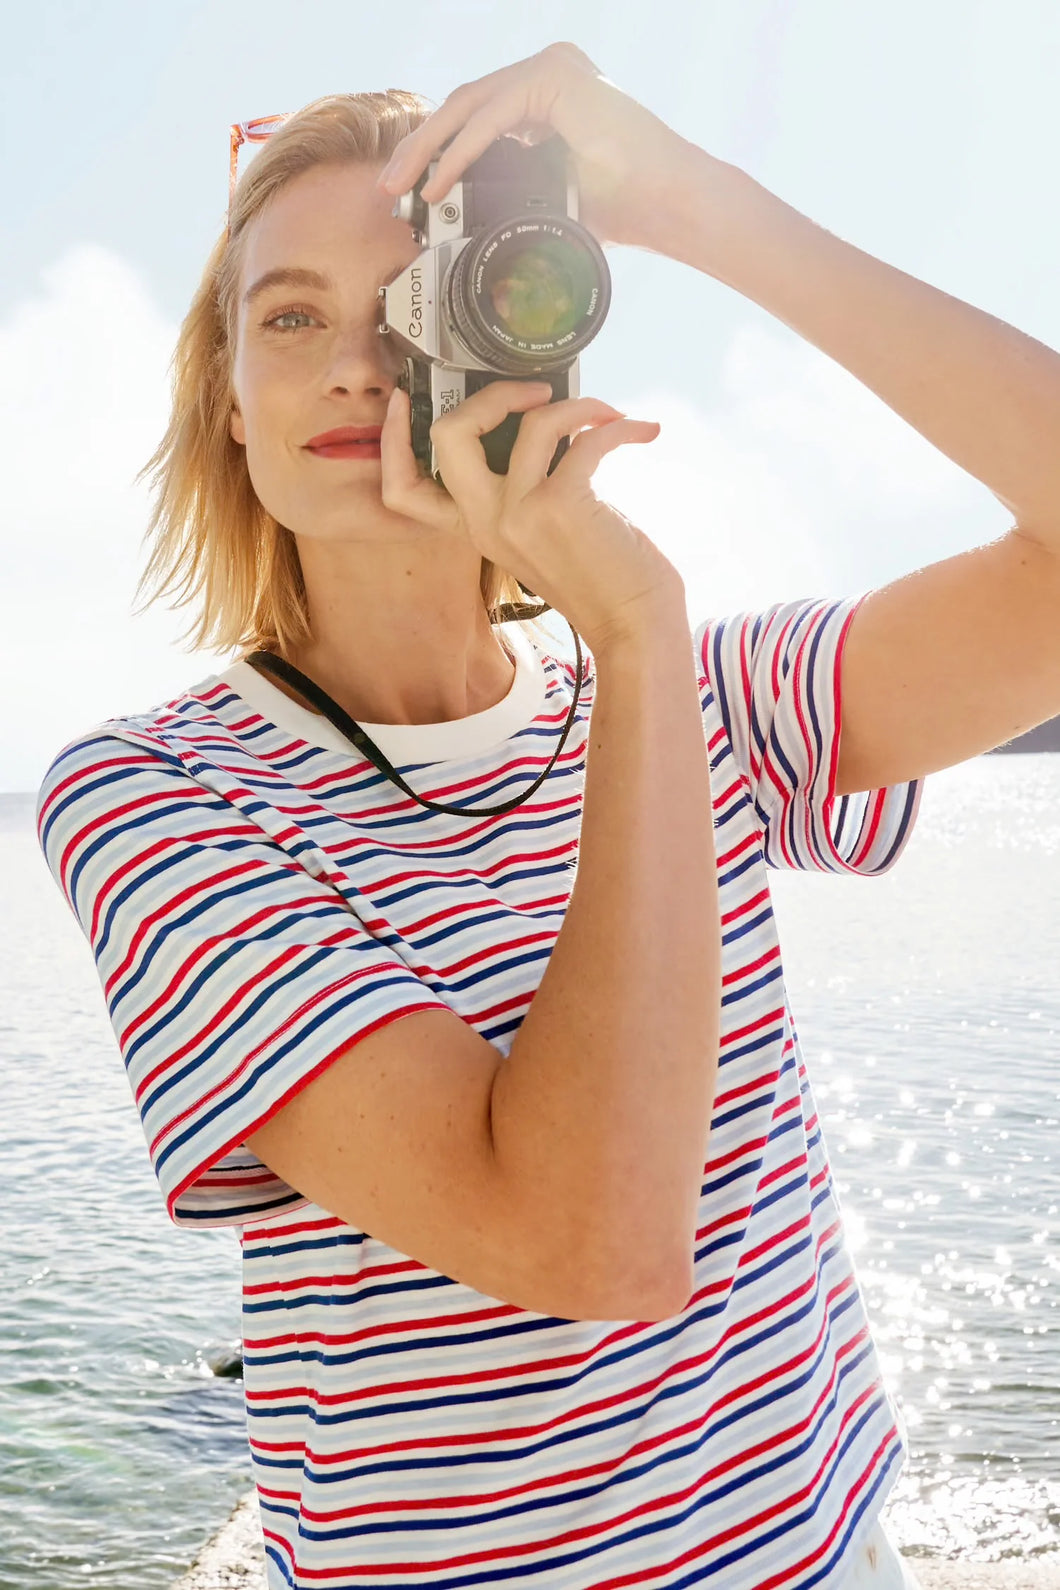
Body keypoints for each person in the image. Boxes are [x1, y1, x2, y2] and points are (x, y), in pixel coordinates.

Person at [34, 40, 1060, 1590]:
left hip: (822, 1549)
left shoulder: (708, 698)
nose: (352, 364)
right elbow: (593, 1239)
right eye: (289, 314)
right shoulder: (155, 795)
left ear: (521, 341)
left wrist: (704, 208)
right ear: (228, 402)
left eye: (408, 307)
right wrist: (633, 631)